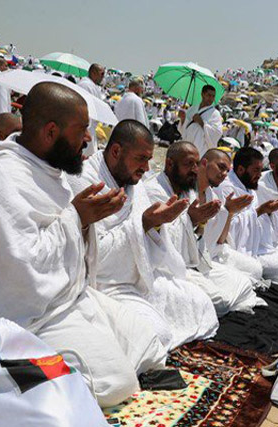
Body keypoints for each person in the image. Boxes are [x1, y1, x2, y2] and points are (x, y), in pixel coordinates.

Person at [0, 82, 168, 407]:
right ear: (51, 132)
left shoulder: (50, 171)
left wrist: (82, 221)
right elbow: (21, 267)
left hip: (66, 297)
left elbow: (69, 248)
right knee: (116, 381)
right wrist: (77, 218)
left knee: (148, 341)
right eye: (82, 130)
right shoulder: (0, 176)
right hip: (19, 315)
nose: (88, 139)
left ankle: (49, 375)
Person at [69, 121, 219, 351]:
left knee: (203, 305)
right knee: (156, 333)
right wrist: (145, 224)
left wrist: (160, 226)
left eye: (149, 160)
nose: (147, 168)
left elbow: (155, 250)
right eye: (141, 159)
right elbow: (91, 256)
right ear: (117, 151)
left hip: (139, 278)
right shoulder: (85, 182)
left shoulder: (134, 184)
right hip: (99, 285)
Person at [144, 141, 263, 315]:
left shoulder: (188, 191)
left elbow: (207, 240)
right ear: (169, 164)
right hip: (166, 269)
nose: (194, 169)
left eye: (196, 164)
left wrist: (220, 215)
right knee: (219, 301)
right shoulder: (154, 190)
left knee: (245, 283)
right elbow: (159, 243)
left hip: (196, 260)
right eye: (188, 164)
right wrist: (193, 220)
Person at [215, 147, 278, 281]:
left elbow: (262, 225)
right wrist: (260, 211)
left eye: (261, 170)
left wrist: (273, 212)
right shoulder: (227, 189)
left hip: (256, 245)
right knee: (265, 270)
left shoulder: (250, 188)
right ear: (241, 169)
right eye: (256, 170)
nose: (260, 175)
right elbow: (224, 231)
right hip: (230, 248)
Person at [194, 148, 264, 280]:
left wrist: (229, 212)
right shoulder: (224, 189)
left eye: (227, 170)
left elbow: (220, 239)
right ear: (204, 163)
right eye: (221, 167)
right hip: (201, 256)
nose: (224, 174)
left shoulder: (211, 195)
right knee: (245, 281)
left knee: (257, 270)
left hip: (214, 251)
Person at [177, 84, 223, 156]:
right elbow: (184, 130)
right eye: (209, 95)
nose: (211, 98)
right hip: (188, 143)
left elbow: (217, 132)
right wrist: (183, 119)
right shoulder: (192, 108)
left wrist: (201, 122)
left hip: (201, 148)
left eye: (213, 96)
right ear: (202, 94)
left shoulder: (215, 114)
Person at [77, 63, 107, 156]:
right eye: (101, 74)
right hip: (85, 129)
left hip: (90, 129)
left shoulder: (91, 86)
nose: (103, 77)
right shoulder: (85, 86)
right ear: (93, 73)